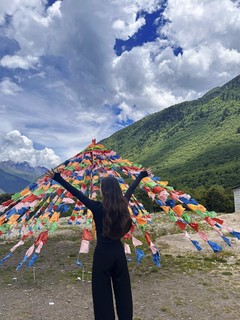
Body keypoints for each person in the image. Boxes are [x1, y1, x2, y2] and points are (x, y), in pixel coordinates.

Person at [46, 167, 152, 320]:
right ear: (117, 190)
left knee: (102, 295)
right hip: (118, 254)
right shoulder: (124, 204)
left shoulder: (97, 208)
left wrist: (58, 178)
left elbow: (77, 193)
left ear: (104, 191)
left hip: (102, 255)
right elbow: (131, 188)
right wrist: (142, 175)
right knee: (123, 292)